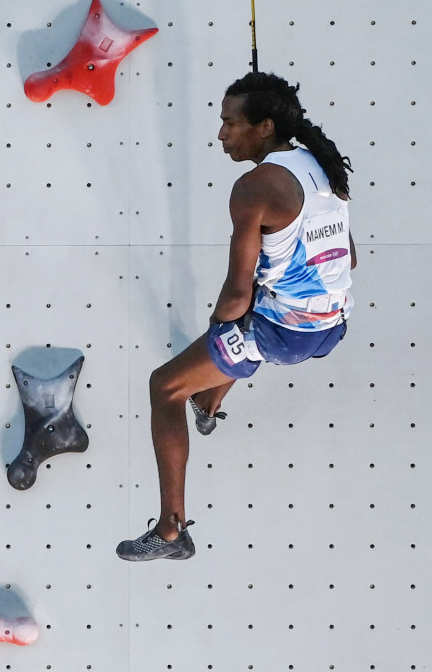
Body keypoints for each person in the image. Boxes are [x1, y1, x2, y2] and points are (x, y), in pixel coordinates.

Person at [117, 72, 356, 560]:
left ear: (263, 126)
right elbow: (347, 257)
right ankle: (208, 406)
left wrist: (214, 337)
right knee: (240, 336)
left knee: (167, 384)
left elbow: (236, 290)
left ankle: (169, 531)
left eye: (230, 123)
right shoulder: (321, 166)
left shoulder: (255, 187)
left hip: (284, 331)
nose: (221, 133)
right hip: (332, 325)